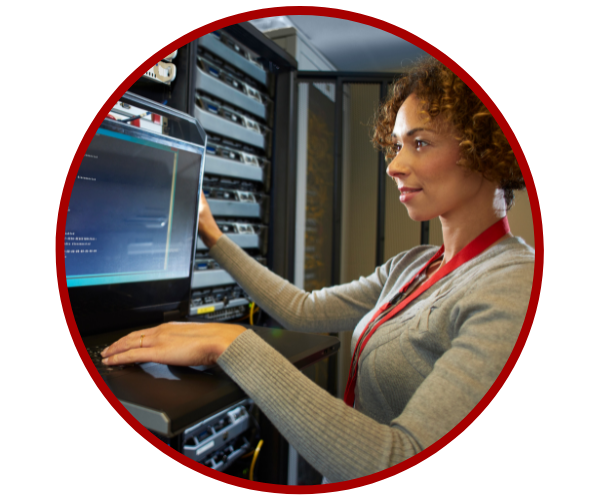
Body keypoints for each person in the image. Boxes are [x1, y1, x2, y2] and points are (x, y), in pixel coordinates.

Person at [101, 57, 534, 483]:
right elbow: (303, 311)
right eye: (397, 144)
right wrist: (213, 235)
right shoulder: (414, 266)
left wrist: (230, 344)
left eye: (419, 143)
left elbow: (401, 461)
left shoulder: (513, 284)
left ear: (486, 148)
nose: (394, 165)